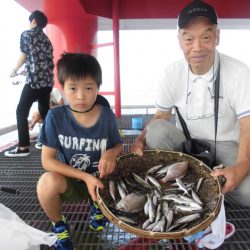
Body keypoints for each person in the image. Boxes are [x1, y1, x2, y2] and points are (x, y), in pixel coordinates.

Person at [132, 0, 250, 208]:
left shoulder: (240, 73)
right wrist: (141, 139)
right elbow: (160, 118)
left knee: (248, 192)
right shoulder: (170, 74)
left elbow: (247, 127)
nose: (197, 47)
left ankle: (202, 185)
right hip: (188, 144)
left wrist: (240, 168)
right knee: (157, 130)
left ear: (217, 37)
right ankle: (196, 183)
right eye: (189, 38)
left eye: (206, 37)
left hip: (228, 146)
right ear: (179, 40)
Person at [36, 53, 123, 250]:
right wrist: (84, 177)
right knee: (46, 183)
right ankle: (59, 225)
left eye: (89, 88)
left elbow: (117, 144)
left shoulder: (107, 115)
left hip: (102, 180)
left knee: (124, 176)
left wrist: (111, 153)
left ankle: (97, 206)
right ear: (62, 89)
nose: (81, 96)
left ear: (98, 88)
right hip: (72, 181)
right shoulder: (55, 116)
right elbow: (47, 161)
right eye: (73, 88)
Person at [4, 10, 54, 157]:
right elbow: (43, 62)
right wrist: (27, 70)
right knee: (45, 112)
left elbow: (23, 57)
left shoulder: (27, 34)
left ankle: (23, 147)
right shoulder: (47, 40)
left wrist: (14, 70)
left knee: (21, 111)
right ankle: (47, 142)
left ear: (33, 21)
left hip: (34, 82)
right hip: (47, 82)